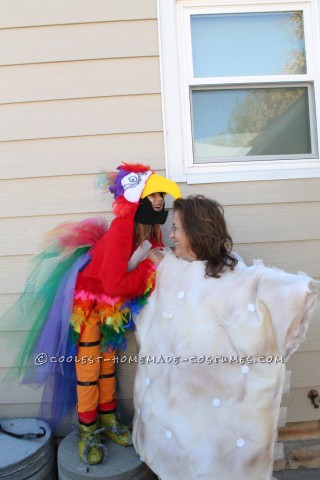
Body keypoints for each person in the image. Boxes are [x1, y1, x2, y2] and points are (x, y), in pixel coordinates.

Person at [4, 163, 181, 466]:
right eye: (153, 195)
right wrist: (149, 266)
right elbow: (115, 283)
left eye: (161, 194)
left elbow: (143, 274)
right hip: (90, 303)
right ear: (137, 198)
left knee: (108, 363)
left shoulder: (151, 229)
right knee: (89, 367)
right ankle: (88, 428)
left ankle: (109, 421)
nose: (159, 200)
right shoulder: (122, 229)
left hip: (114, 305)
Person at [132, 195, 318, 480]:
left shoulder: (233, 276)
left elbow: (262, 286)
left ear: (195, 232)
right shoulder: (171, 267)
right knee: (178, 446)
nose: (171, 235)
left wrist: (297, 289)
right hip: (177, 394)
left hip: (215, 393)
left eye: (177, 229)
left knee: (209, 453)